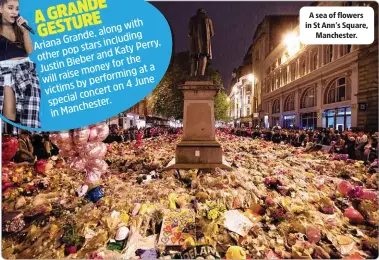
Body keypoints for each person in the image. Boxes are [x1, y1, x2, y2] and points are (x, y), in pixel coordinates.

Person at [0, 0, 40, 133]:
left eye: (16, 9)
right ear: (0, 9)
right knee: (10, 115)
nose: (14, 12)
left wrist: (25, 31)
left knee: (28, 114)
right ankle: (9, 140)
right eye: (10, 8)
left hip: (26, 70)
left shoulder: (19, 28)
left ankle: (23, 143)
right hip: (6, 71)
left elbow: (29, 51)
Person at [188, 8, 214, 76]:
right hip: (205, 42)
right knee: (203, 55)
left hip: (194, 42)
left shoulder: (192, 19)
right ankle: (201, 74)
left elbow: (189, 32)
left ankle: (192, 74)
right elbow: (212, 33)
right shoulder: (208, 19)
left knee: (194, 56)